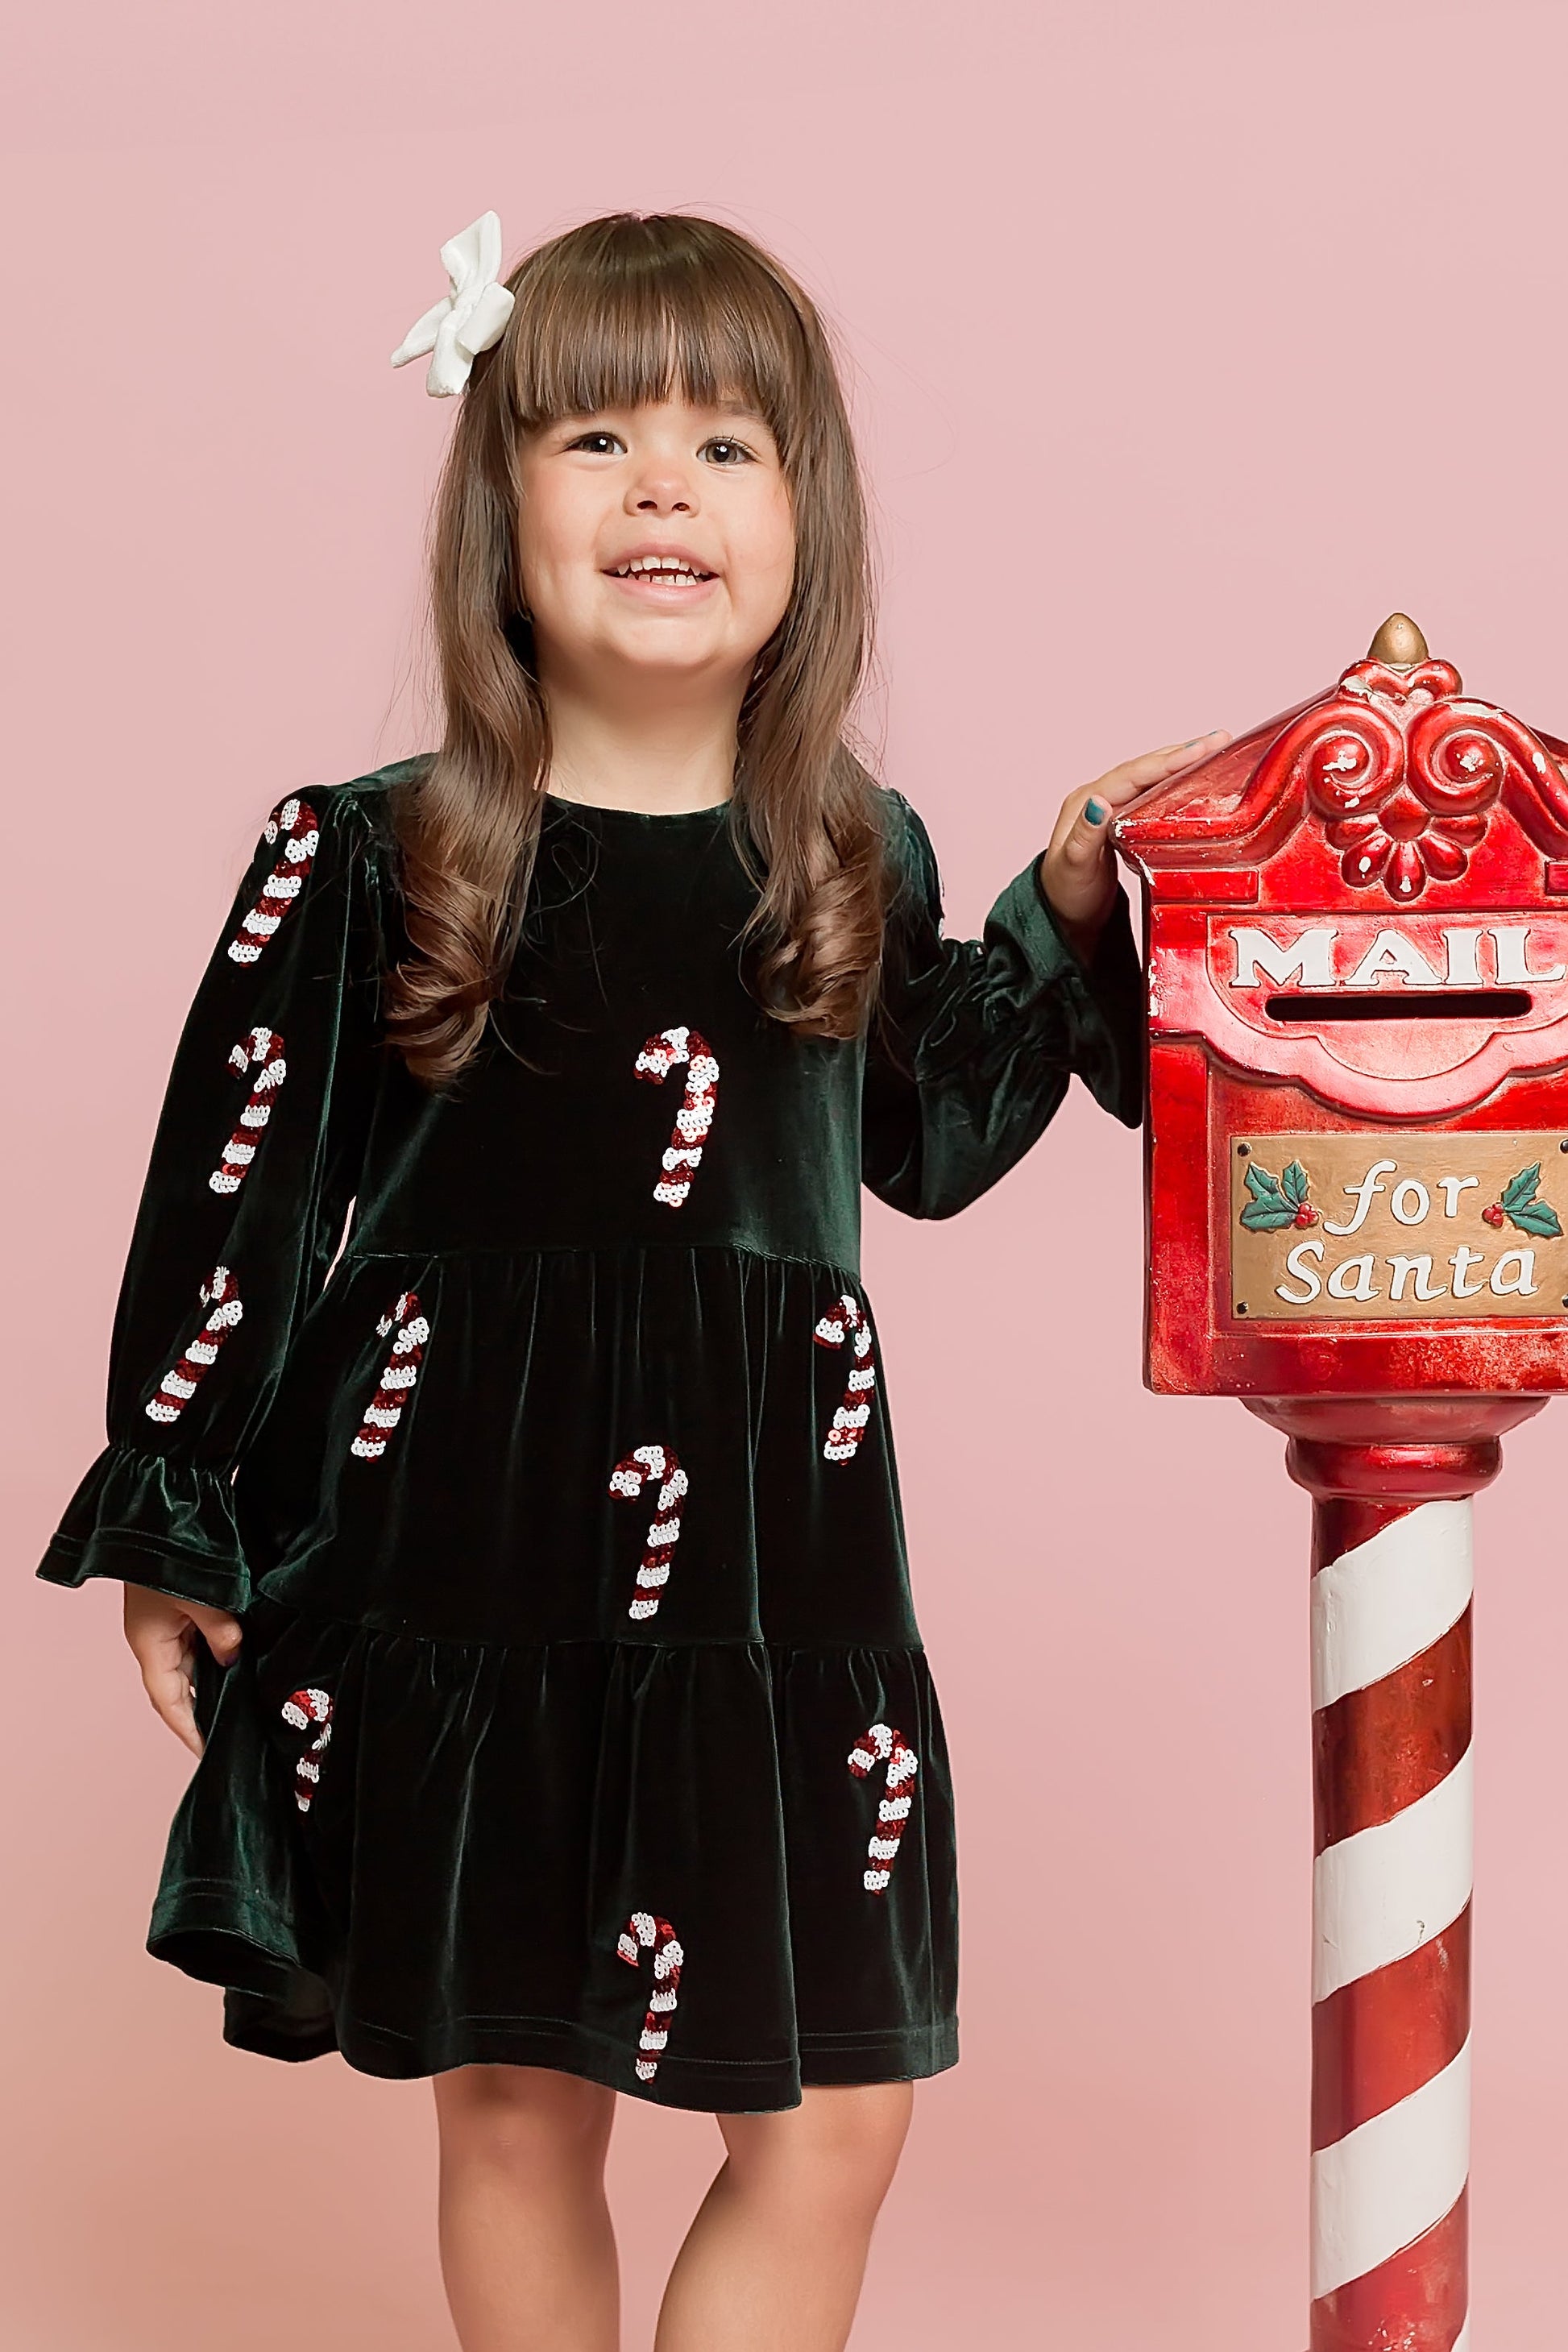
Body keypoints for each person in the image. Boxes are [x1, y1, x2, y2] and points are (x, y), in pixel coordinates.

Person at [36, 209, 1224, 2352]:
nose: (660, 483)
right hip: (457, 1544)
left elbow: (931, 1143)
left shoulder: (852, 851)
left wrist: (1056, 913)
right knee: (513, 2091)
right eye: (593, 434)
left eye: (724, 443)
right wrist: (176, 1510)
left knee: (834, 2116)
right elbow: (232, 1193)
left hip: (775, 1571)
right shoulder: (369, 850)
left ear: (807, 524)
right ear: (502, 509)